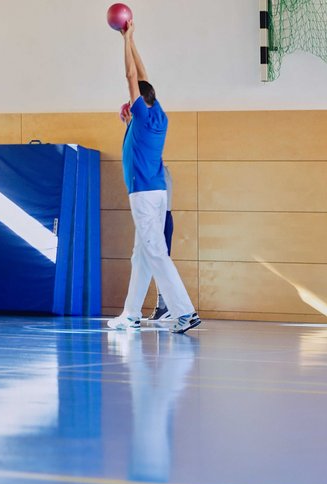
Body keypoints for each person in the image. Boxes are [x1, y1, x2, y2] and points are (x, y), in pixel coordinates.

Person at [107, 19, 200, 334]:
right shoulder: (157, 113)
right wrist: (132, 40)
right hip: (157, 193)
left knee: (155, 252)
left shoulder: (143, 114)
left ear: (137, 104)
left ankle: (184, 312)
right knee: (141, 255)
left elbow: (132, 75)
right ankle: (131, 313)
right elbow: (144, 77)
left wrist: (126, 39)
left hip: (145, 195)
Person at [119, 102, 174, 322]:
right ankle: (134, 312)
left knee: (158, 258)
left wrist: (132, 121)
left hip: (159, 214)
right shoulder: (154, 163)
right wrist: (129, 123)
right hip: (157, 211)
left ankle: (173, 306)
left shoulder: (155, 168)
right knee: (143, 259)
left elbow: (139, 144)